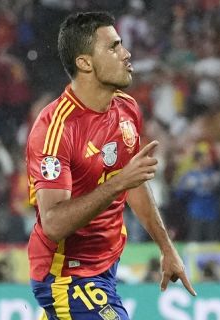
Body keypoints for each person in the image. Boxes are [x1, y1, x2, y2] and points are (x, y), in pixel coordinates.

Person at [26, 11, 196, 320]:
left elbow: (135, 183)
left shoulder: (126, 108)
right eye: (114, 47)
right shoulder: (55, 129)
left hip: (105, 268)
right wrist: (118, 182)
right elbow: (52, 223)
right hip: (66, 275)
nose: (126, 53)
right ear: (85, 63)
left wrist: (166, 247)